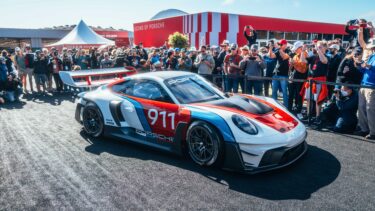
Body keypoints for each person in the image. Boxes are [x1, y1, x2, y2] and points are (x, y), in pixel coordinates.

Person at [301, 41, 330, 125]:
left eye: (321, 47)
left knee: (318, 100)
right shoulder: (313, 57)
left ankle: (318, 117)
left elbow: (324, 61)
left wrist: (319, 50)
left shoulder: (327, 57)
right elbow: (303, 61)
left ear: (325, 48)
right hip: (310, 80)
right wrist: (303, 51)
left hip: (319, 81)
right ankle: (308, 115)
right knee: (309, 99)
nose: (318, 48)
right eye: (318, 47)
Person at [357, 38, 375, 140]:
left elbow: (371, 68)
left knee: (370, 109)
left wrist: (367, 66)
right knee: (362, 107)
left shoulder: (371, 56)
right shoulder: (371, 55)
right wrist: (360, 66)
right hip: (364, 85)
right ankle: (364, 129)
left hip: (372, 86)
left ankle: (373, 132)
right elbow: (364, 70)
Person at [288, 41, 308, 118]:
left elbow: (303, 69)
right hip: (293, 78)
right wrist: (291, 65)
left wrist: (294, 63)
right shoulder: (295, 56)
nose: (295, 50)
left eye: (296, 49)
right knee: (291, 94)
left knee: (298, 95)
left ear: (300, 48)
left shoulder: (305, 54)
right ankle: (290, 110)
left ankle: (298, 111)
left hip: (300, 79)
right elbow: (292, 67)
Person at [269, 39, 290, 107]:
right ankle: (274, 106)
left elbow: (285, 57)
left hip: (284, 75)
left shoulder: (288, 51)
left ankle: (286, 107)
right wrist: (270, 48)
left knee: (284, 92)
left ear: (285, 45)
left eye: (281, 44)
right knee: (274, 91)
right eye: (279, 44)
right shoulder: (278, 50)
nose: (280, 46)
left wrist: (278, 48)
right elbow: (271, 56)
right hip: (276, 74)